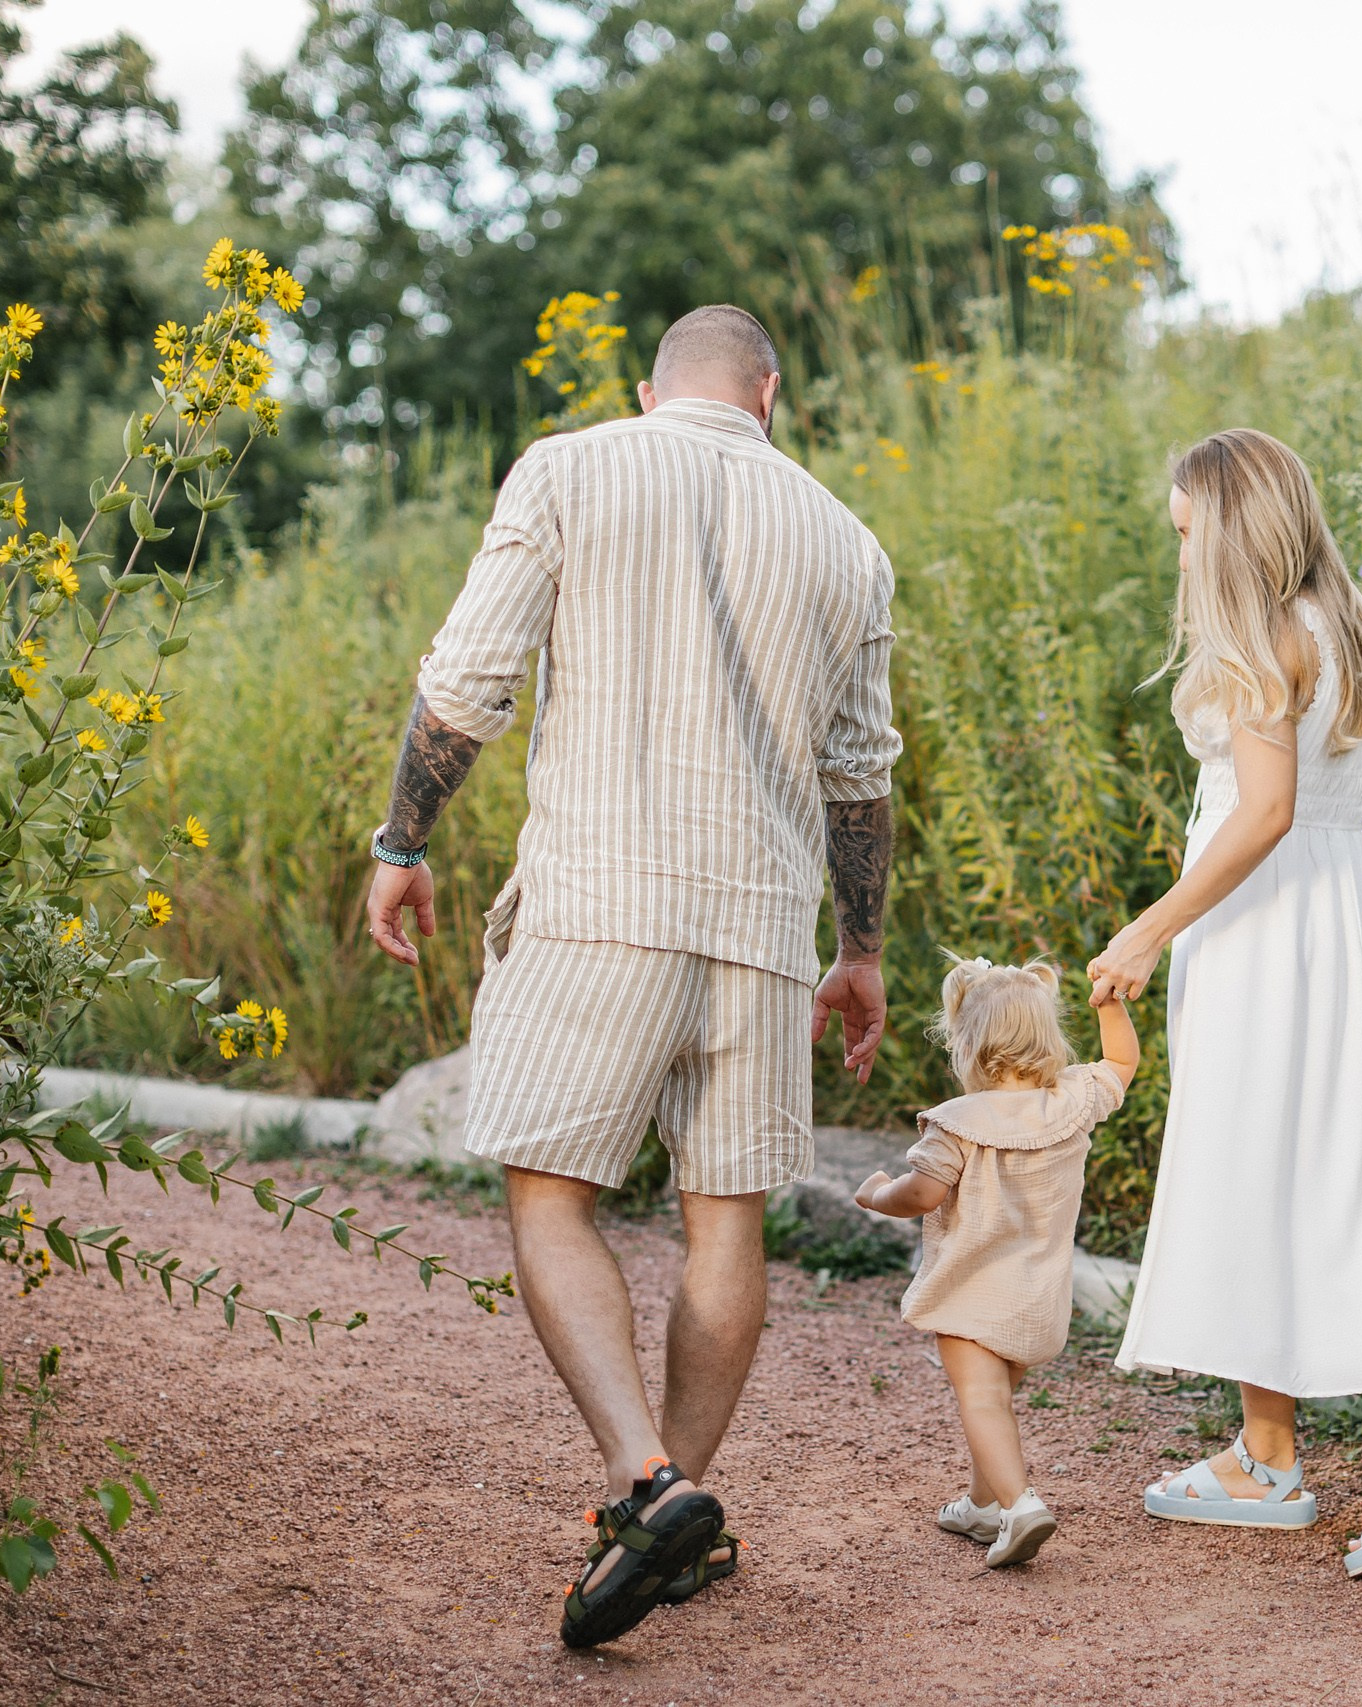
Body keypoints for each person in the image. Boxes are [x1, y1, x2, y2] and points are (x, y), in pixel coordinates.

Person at [362, 304, 901, 1648]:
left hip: (599, 905)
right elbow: (860, 777)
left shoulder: (568, 467)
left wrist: (403, 842)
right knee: (727, 1224)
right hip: (763, 929)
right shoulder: (848, 540)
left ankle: (651, 1485)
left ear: (649, 393)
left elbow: (467, 683)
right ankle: (674, 1518)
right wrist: (861, 951)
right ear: (769, 396)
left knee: (553, 1198)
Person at [1086, 428, 1362, 1578]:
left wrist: (1146, 929)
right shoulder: (1348, 622)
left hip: (1269, 925)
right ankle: (1265, 1451)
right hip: (1346, 908)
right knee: (1326, 1155)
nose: (1182, 558)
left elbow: (1265, 809)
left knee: (1300, 1162)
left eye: (1188, 535)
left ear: (1234, 531)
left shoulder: (1261, 637)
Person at [854, 958, 1140, 1569]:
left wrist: (877, 1194)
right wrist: (1111, 1004)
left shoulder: (957, 1124)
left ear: (966, 1046)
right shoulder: (1071, 1103)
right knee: (994, 1405)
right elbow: (1122, 1062)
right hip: (1037, 1299)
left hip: (972, 1293)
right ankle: (983, 1506)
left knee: (982, 1401)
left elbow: (920, 1194)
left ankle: (1019, 1505)